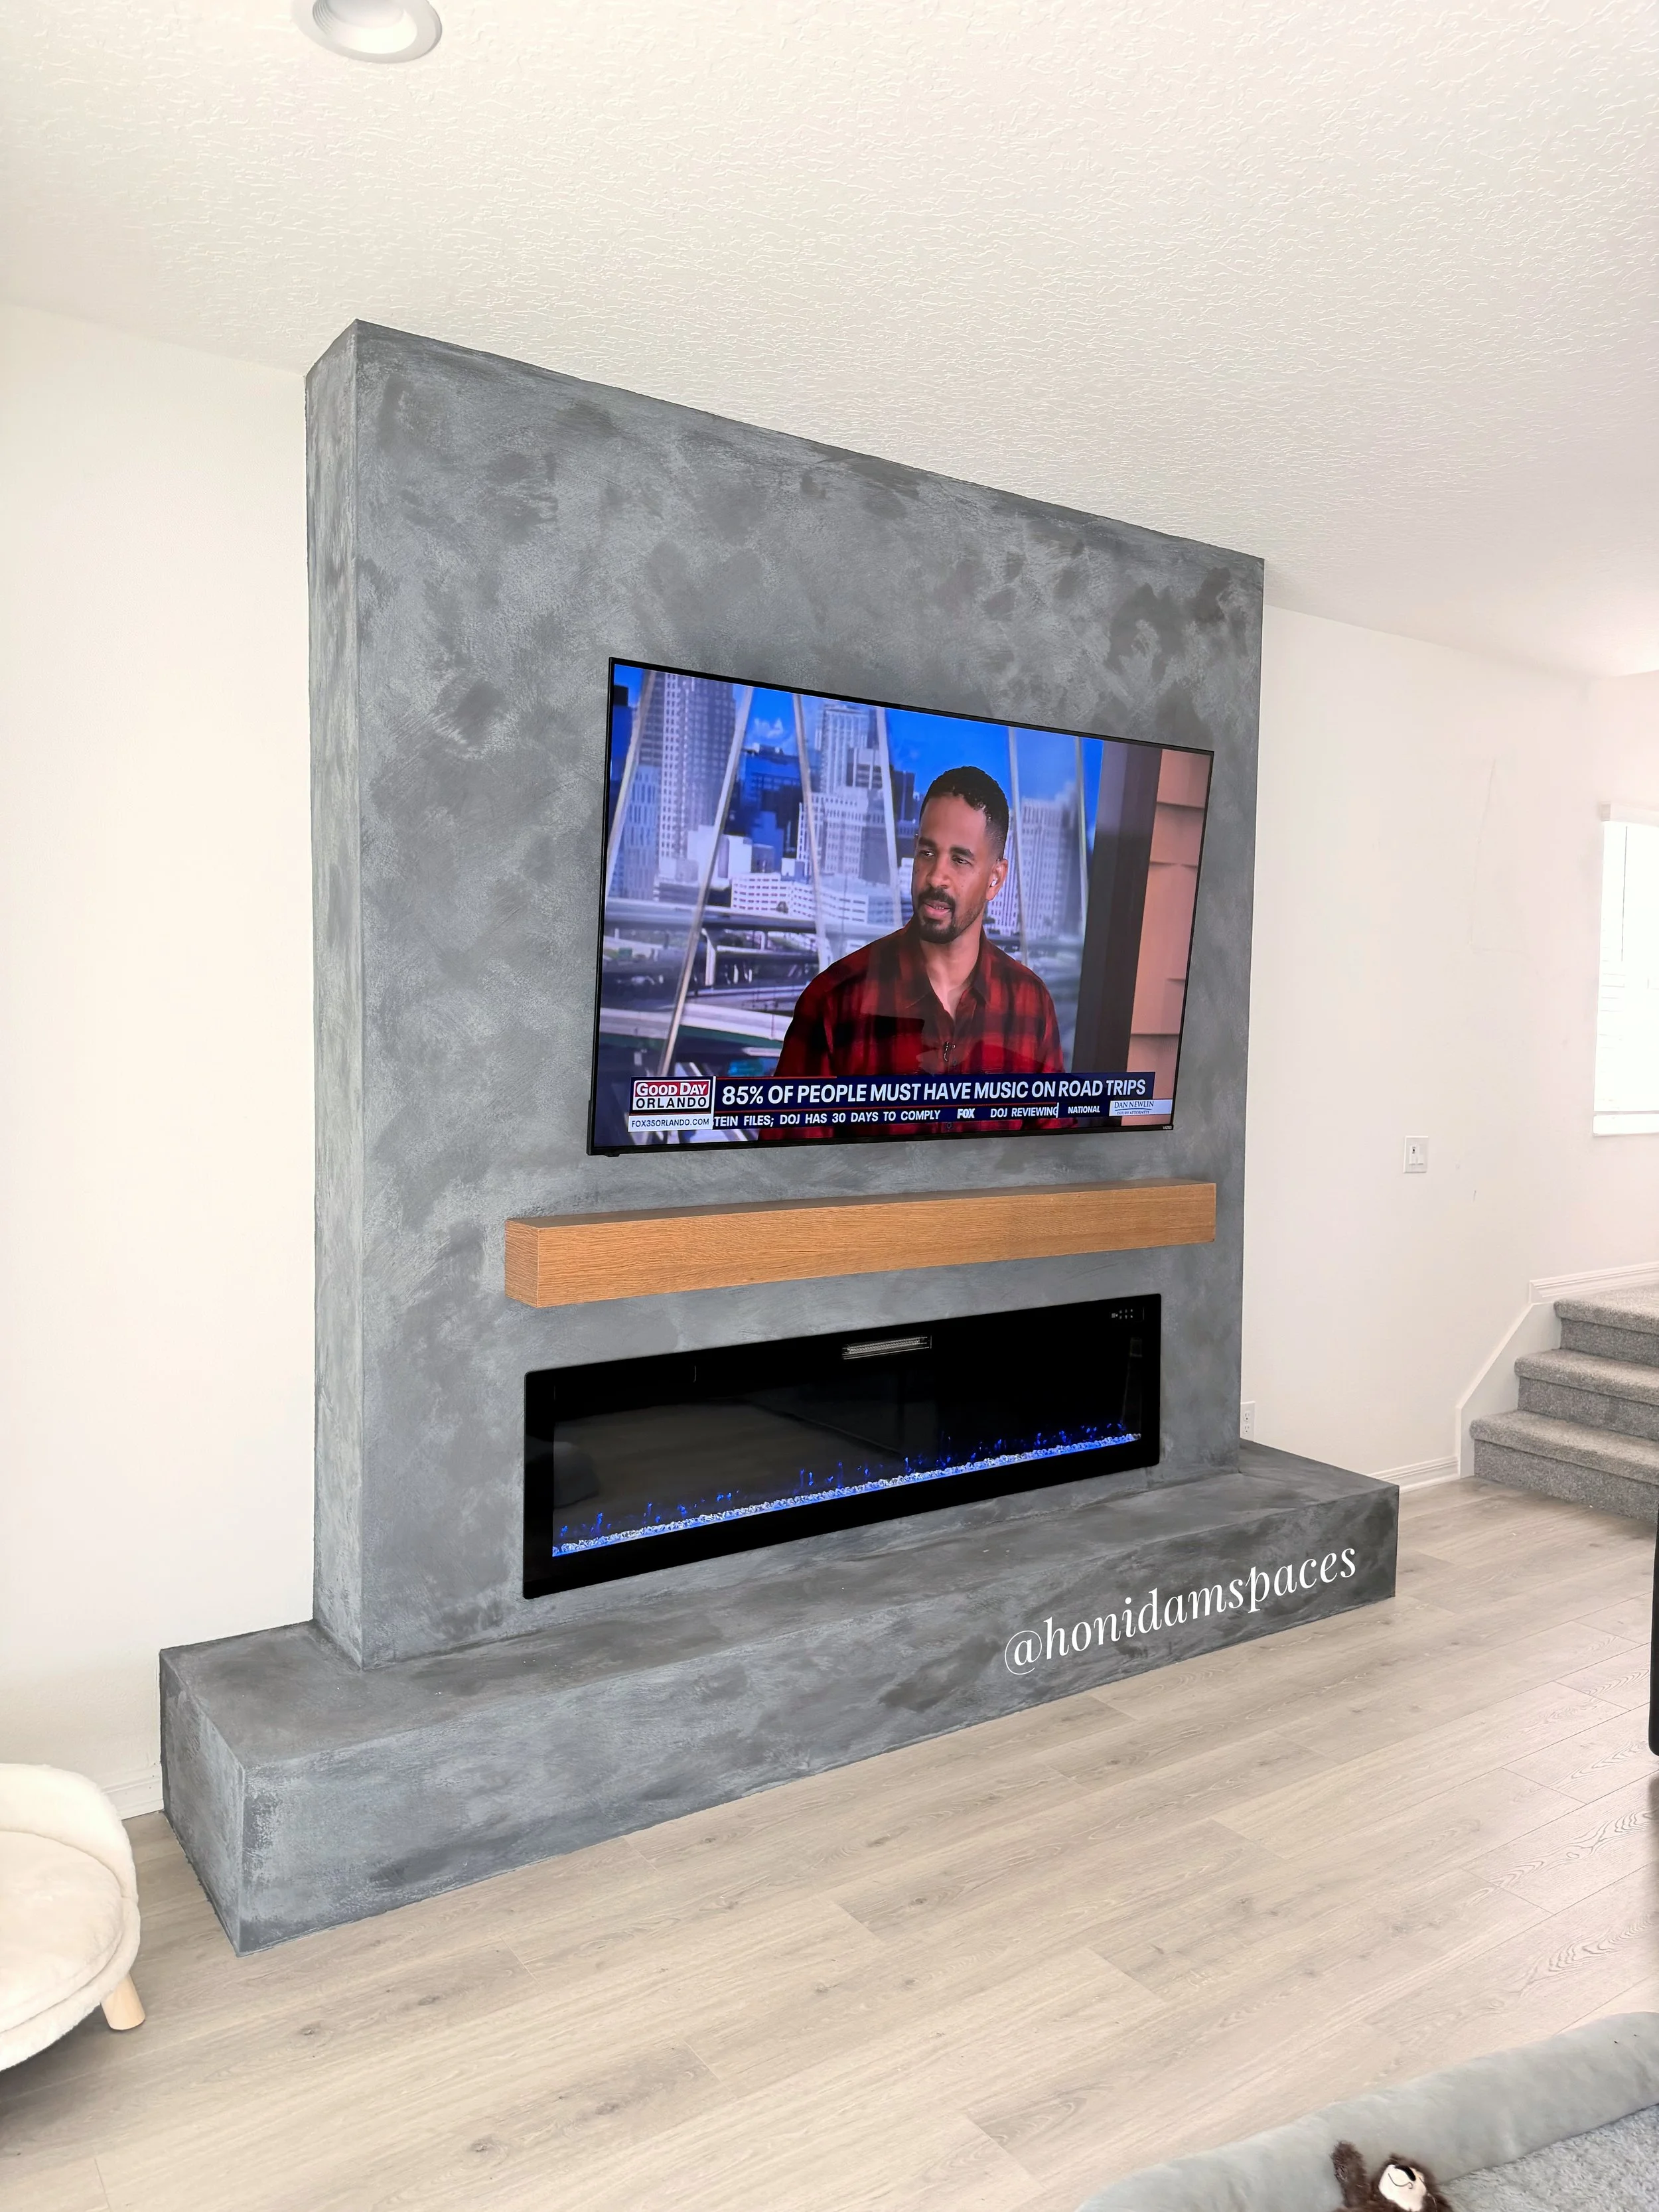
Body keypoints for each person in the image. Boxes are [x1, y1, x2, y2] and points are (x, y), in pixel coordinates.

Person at [772, 766, 1063, 1132]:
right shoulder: (834, 1002)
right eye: (928, 852)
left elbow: (1049, 1163)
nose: (936, 876)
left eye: (960, 860)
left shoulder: (1030, 1004)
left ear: (995, 878)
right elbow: (791, 1172)